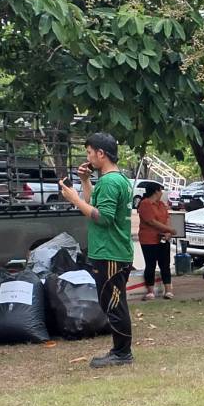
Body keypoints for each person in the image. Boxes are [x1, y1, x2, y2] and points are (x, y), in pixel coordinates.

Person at [57, 132, 135, 367]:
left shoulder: (110, 182)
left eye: (90, 152)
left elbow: (103, 218)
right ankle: (120, 350)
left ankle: (122, 353)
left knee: (114, 304)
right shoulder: (115, 179)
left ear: (101, 154)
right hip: (111, 251)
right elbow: (94, 206)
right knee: (112, 302)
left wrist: (74, 199)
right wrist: (84, 181)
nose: (88, 157)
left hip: (110, 252)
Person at [136, 181, 175, 300]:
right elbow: (151, 221)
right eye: (160, 190)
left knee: (165, 264)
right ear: (156, 191)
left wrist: (167, 232)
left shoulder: (161, 204)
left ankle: (168, 290)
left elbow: (167, 218)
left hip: (163, 238)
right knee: (150, 265)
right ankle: (150, 291)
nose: (162, 193)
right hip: (149, 239)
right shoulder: (145, 204)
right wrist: (169, 229)